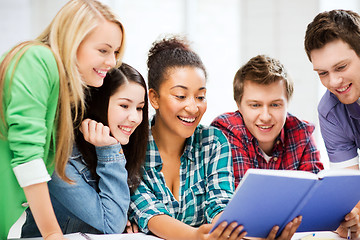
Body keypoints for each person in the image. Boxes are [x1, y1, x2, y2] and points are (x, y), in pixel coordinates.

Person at [127, 36, 300, 240]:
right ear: (154, 98)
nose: (193, 108)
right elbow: (148, 212)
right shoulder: (132, 143)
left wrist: (237, 232)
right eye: (181, 96)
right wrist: (196, 236)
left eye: (200, 96)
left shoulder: (214, 141)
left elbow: (220, 202)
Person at [0, 0, 125, 239]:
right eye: (103, 50)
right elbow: (28, 156)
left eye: (115, 52)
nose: (112, 62)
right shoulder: (37, 59)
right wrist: (52, 234)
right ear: (73, 40)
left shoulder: (61, 90)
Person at [21, 63, 149, 236]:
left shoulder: (125, 147)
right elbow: (112, 225)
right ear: (98, 103)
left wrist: (130, 218)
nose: (134, 118)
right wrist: (109, 151)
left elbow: (117, 217)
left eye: (140, 108)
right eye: (124, 106)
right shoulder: (60, 157)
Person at [211, 55, 324, 187]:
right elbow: (244, 198)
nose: (265, 117)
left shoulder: (302, 133)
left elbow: (315, 194)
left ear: (287, 103)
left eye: (275, 105)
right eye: (255, 105)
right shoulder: (227, 130)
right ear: (239, 105)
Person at [304, 9, 360, 238]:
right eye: (322, 73)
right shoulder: (331, 111)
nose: (334, 82)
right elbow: (351, 189)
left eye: (341, 67)